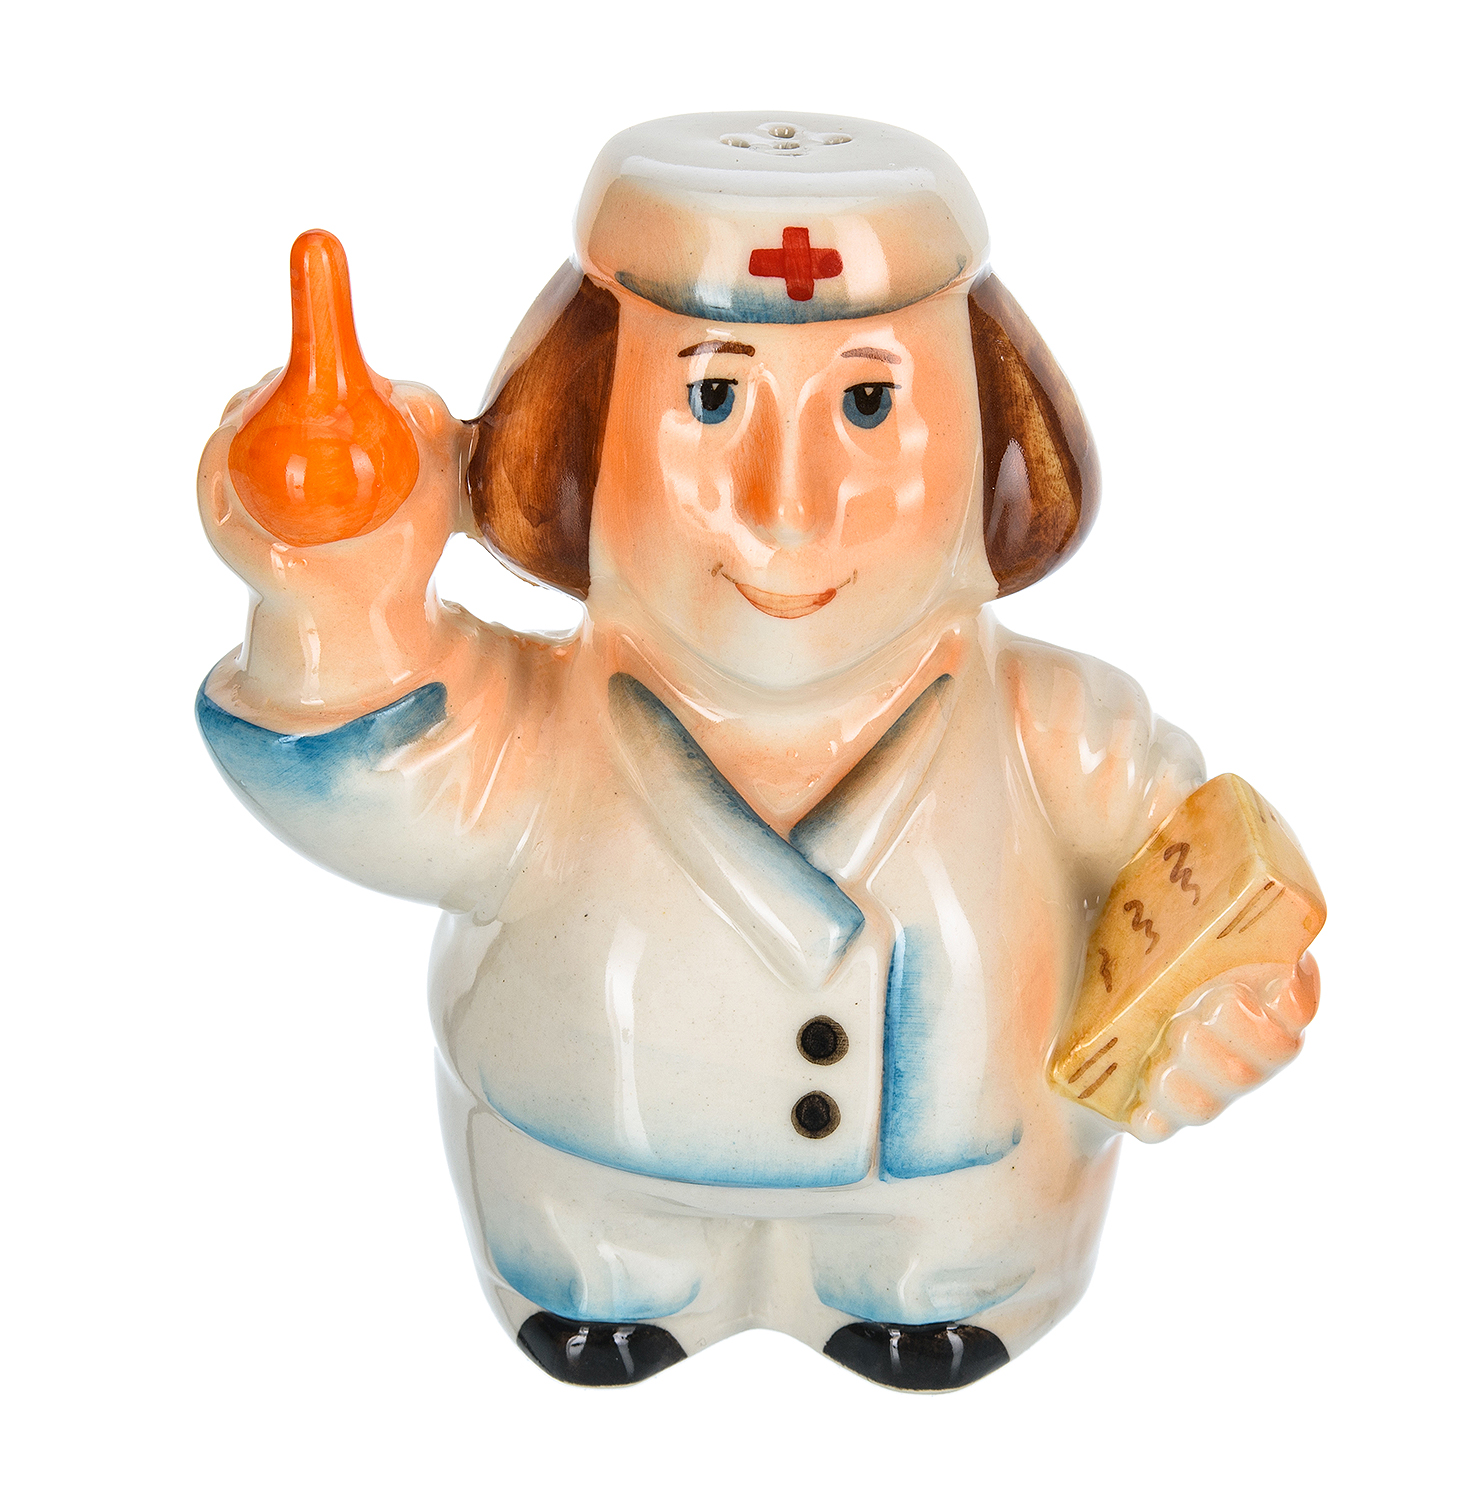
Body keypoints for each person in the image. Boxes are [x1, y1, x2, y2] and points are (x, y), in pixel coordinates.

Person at [197, 114, 1319, 1390]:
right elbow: (374, 772)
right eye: (712, 398)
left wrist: (1235, 990)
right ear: (579, 435)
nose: (790, 505)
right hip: (589, 1172)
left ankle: (937, 1282)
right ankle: (614, 1272)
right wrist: (340, 590)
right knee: (597, 1252)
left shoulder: (1051, 730)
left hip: (964, 1202)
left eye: (870, 402)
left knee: (955, 1262)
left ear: (995, 436)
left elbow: (1204, 862)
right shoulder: (539, 732)